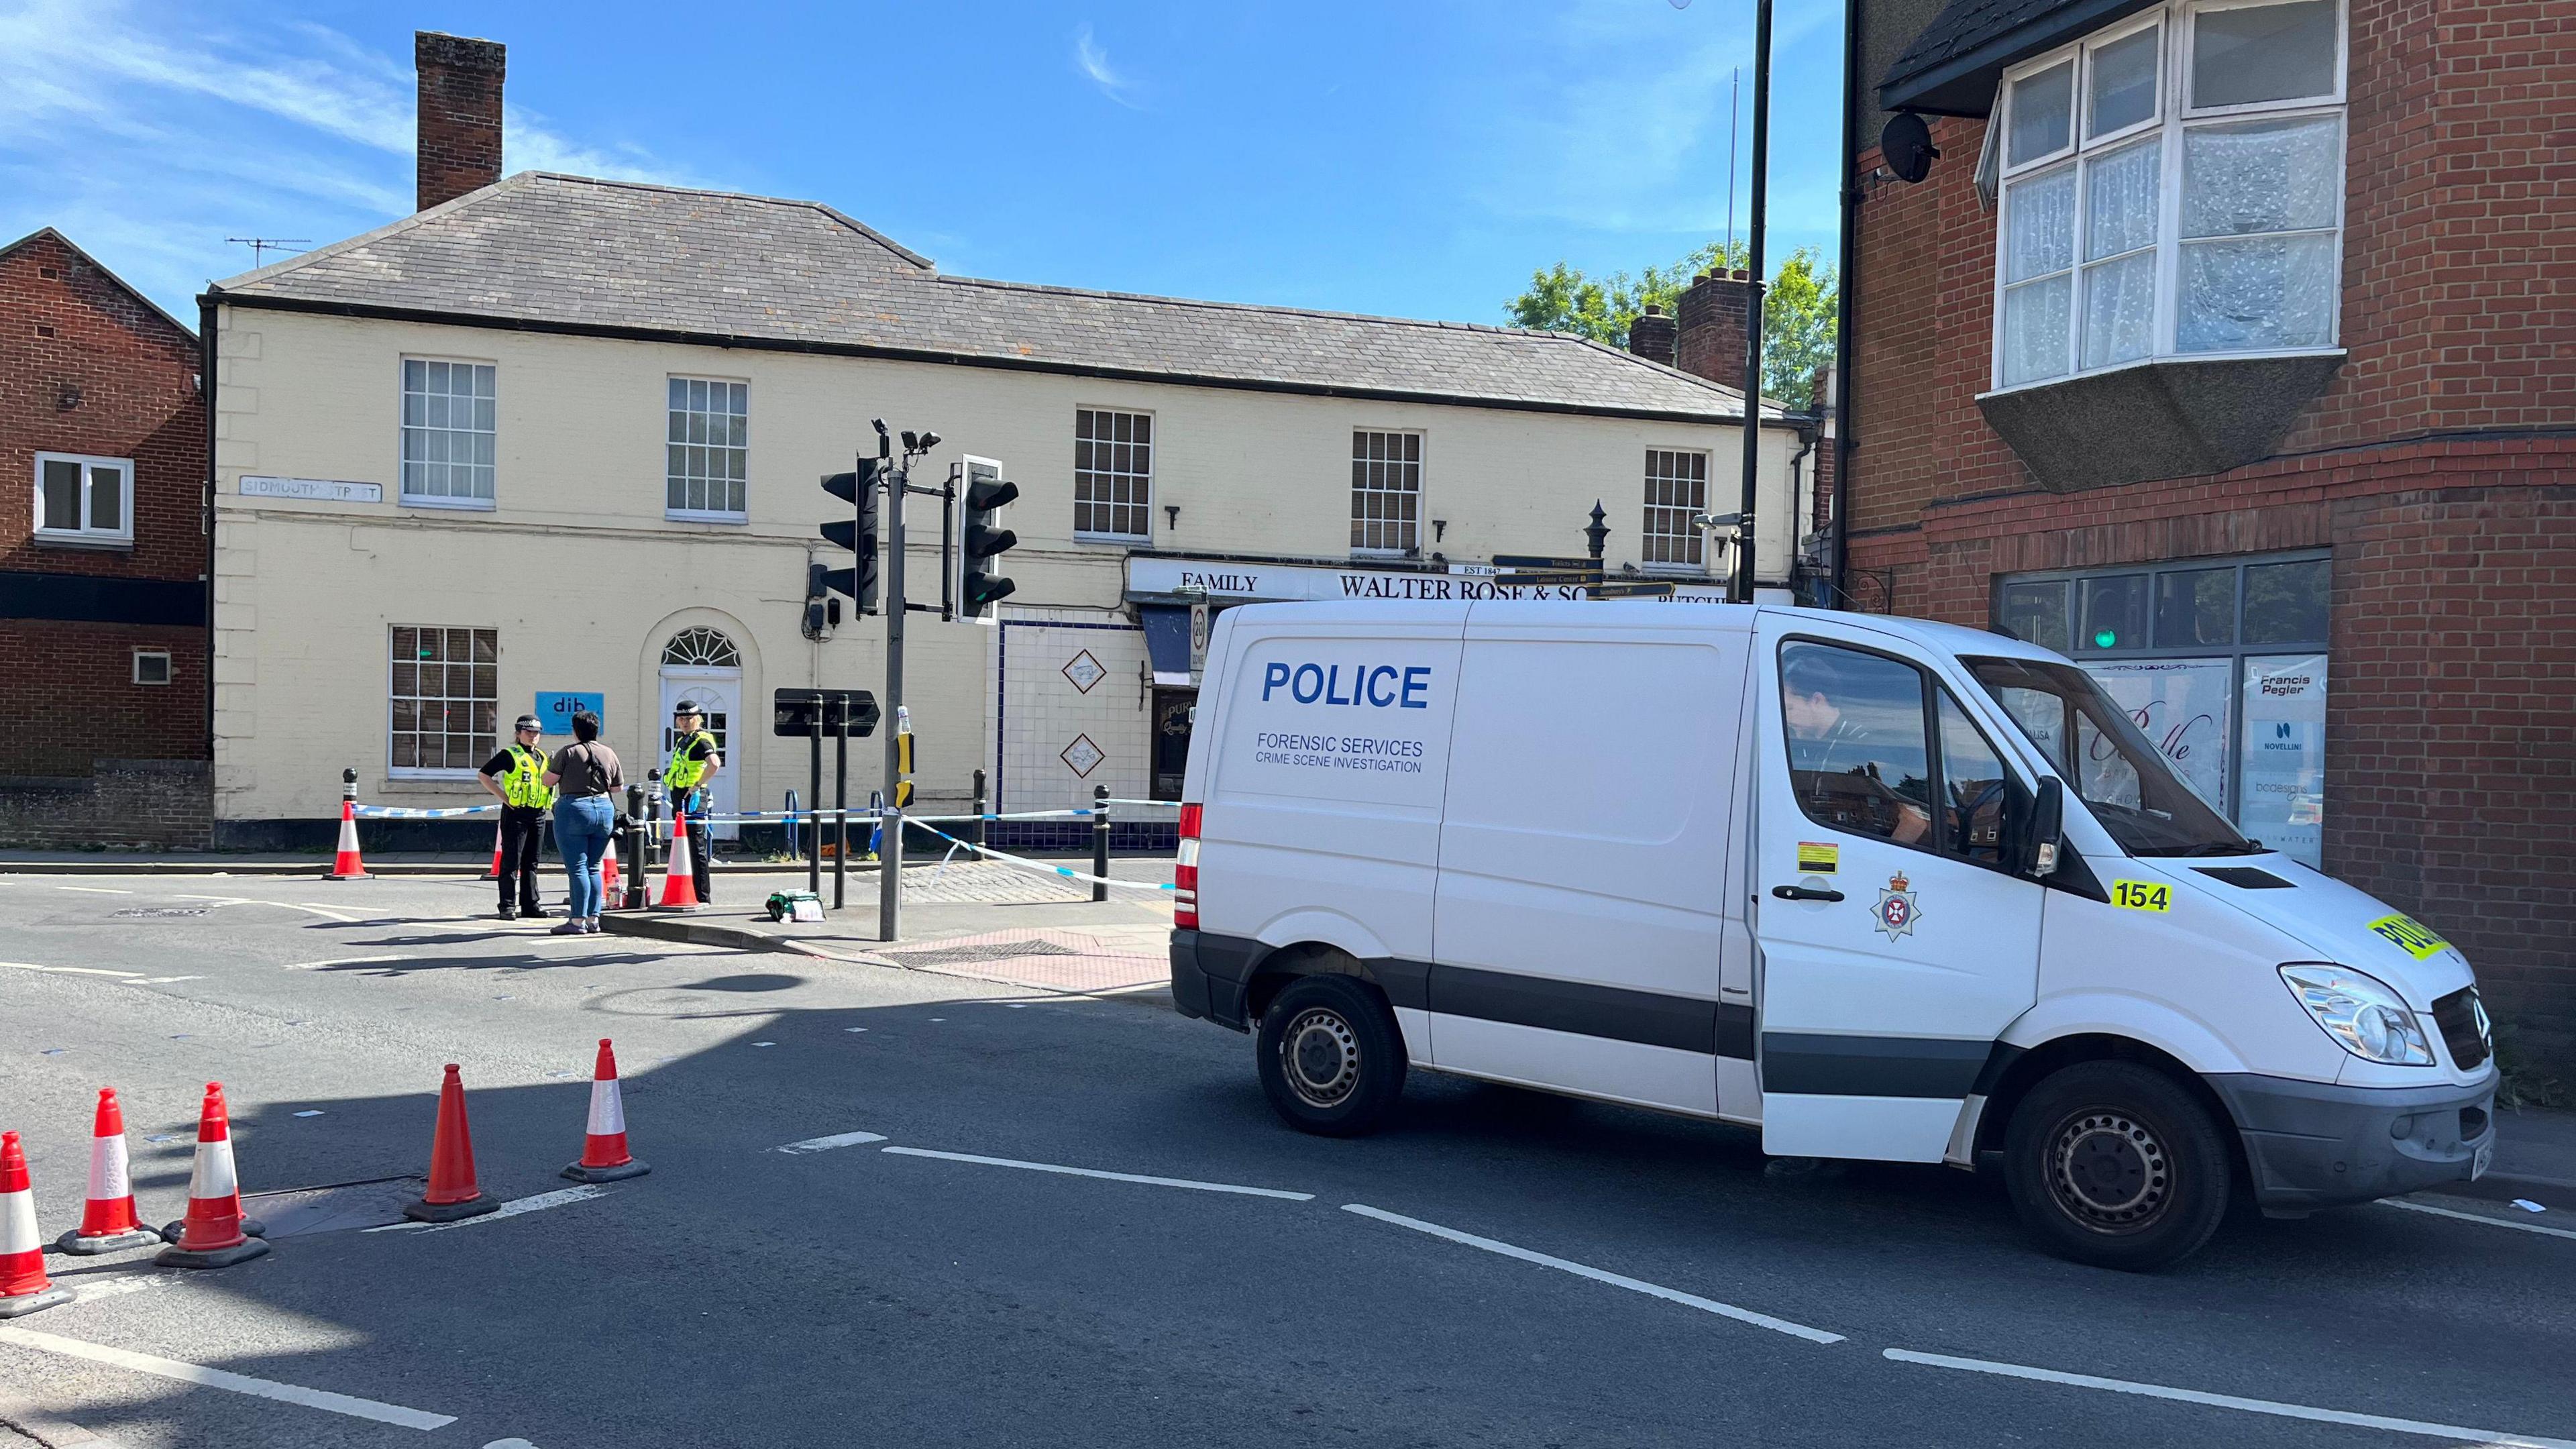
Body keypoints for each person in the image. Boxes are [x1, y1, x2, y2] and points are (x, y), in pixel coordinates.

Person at [1780, 647, 1931, 846]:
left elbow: (1914, 820)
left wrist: (1878, 865)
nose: (1787, 717)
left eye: (1790, 707)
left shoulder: (1862, 748)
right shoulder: (1814, 746)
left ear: (1817, 700)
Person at [543, 710, 623, 935]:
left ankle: (576, 921)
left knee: (577, 868)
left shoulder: (568, 752)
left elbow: (548, 781)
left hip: (575, 810)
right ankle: (594, 919)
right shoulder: (609, 753)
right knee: (594, 867)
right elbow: (617, 788)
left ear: (576, 730)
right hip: (604, 810)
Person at [476, 715, 554, 920]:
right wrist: (503, 797)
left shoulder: (543, 757)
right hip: (516, 813)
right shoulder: (510, 755)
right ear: (519, 733)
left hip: (537, 813)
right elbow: (484, 775)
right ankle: (507, 906)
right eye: (529, 732)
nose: (533, 736)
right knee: (511, 862)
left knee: (532, 862)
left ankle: (531, 905)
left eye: (537, 732)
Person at [663, 700, 722, 906]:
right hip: (680, 796)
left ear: (698, 719)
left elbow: (714, 764)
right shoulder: (684, 740)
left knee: (696, 847)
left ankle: (702, 897)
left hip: (693, 797)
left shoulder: (701, 740)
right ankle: (688, 893)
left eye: (690, 719)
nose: (685, 722)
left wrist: (698, 785)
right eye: (682, 719)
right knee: (683, 846)